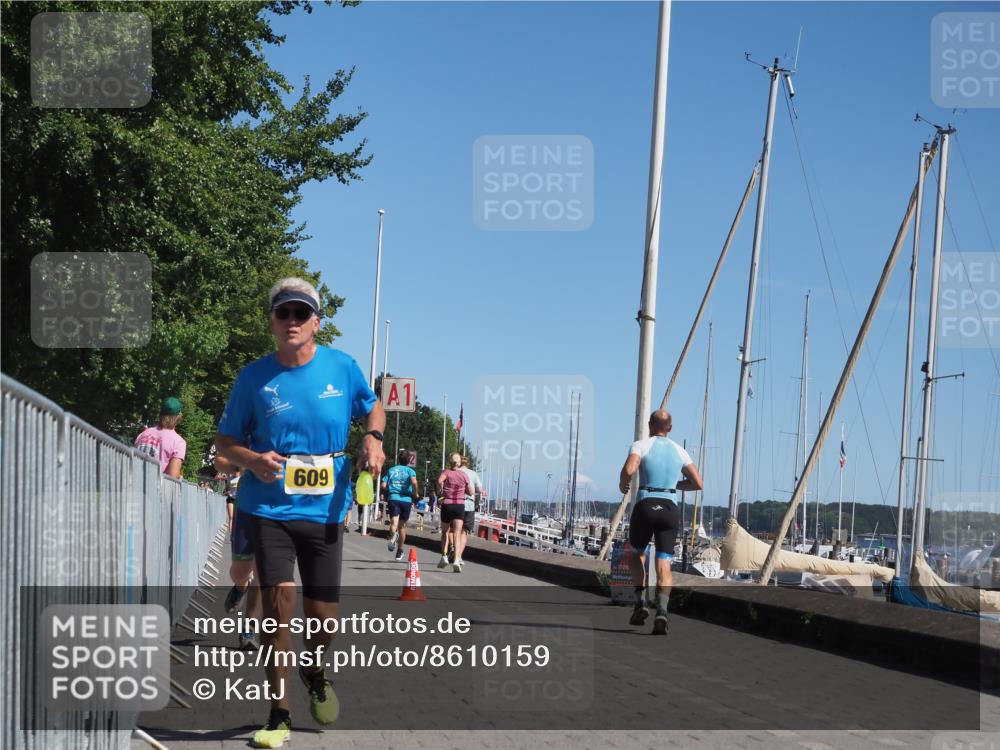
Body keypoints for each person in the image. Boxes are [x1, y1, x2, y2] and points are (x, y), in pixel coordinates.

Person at [216, 277, 385, 749]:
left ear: (316, 322)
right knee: (277, 609)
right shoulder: (253, 378)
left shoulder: (342, 367)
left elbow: (374, 409)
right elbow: (225, 443)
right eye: (283, 313)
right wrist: (254, 460)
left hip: (325, 511)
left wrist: (373, 439)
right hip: (268, 507)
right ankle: (279, 713)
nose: (292, 321)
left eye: (301, 313)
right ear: (272, 321)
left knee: (324, 619)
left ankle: (314, 667)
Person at [618, 410, 703, 636]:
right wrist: (675, 486)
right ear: (670, 428)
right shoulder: (680, 451)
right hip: (669, 508)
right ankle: (662, 611)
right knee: (663, 562)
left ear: (649, 425)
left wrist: (622, 483)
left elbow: (629, 469)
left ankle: (640, 602)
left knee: (637, 554)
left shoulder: (640, 445)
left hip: (646, 504)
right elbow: (698, 483)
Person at [216, 455, 261, 650]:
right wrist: (242, 464)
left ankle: (249, 630)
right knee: (240, 572)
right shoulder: (249, 438)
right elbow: (220, 459)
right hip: (247, 506)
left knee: (262, 573)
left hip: (279, 508)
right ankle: (240, 587)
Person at [133, 396, 187, 478]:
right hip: (155, 485)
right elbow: (172, 477)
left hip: (134, 482)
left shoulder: (143, 434)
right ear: (179, 417)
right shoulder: (178, 442)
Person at [437, 453, 473, 572]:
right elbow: (471, 492)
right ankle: (457, 559)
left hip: (447, 504)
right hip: (459, 505)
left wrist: (441, 490)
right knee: (457, 534)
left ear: (449, 461)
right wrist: (463, 490)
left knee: (445, 532)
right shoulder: (464, 475)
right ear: (459, 463)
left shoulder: (446, 472)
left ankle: (444, 556)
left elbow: (439, 481)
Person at [382, 449, 419, 562]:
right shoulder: (410, 471)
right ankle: (400, 551)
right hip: (406, 500)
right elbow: (414, 482)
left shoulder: (391, 470)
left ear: (399, 459)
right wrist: (416, 492)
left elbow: (383, 485)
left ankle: (393, 535)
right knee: (402, 527)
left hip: (393, 498)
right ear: (408, 461)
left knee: (394, 523)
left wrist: (391, 489)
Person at [459, 456, 482, 541]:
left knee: (454, 529)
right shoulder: (473, 473)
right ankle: (459, 549)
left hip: (456, 503)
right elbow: (479, 489)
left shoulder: (454, 472)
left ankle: (453, 545)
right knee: (464, 531)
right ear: (467, 463)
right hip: (469, 504)